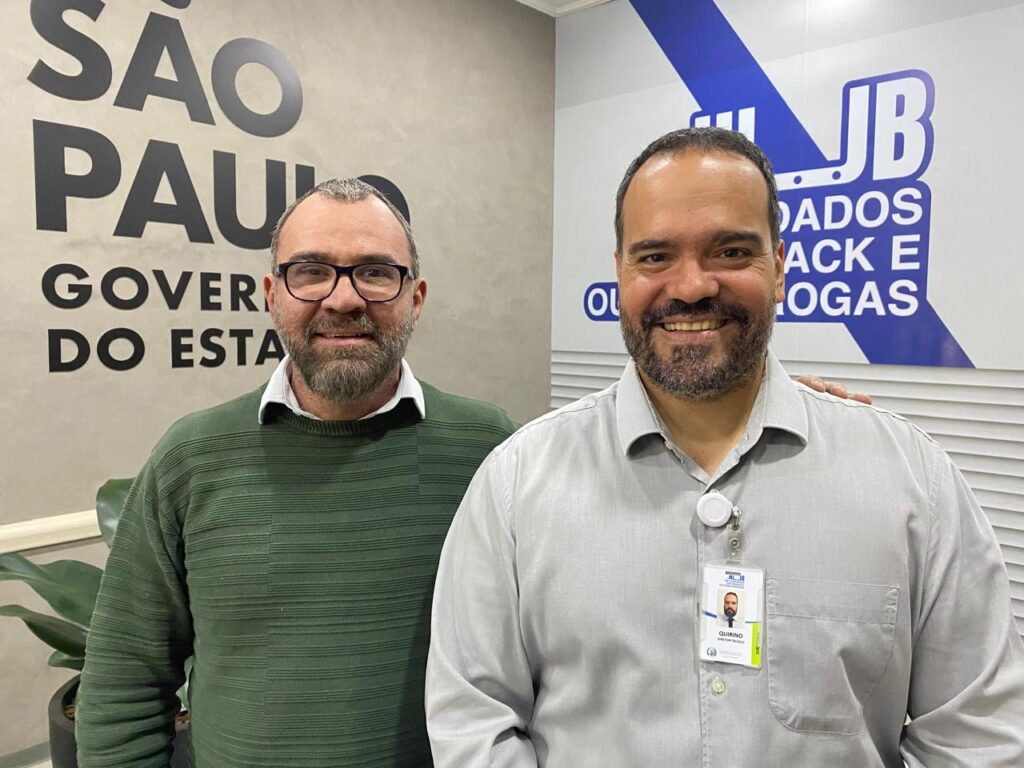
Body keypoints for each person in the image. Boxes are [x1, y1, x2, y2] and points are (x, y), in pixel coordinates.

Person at [425, 128, 1024, 767]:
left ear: (779, 267)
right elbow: (475, 722)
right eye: (655, 256)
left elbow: (976, 735)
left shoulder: (911, 481)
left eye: (731, 251)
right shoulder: (517, 484)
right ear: (620, 273)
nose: (691, 286)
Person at [75, 178, 517, 767]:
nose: (343, 299)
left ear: (415, 298)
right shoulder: (190, 459)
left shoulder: (488, 450)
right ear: (271, 295)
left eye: (376, 272)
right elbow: (123, 683)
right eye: (310, 272)